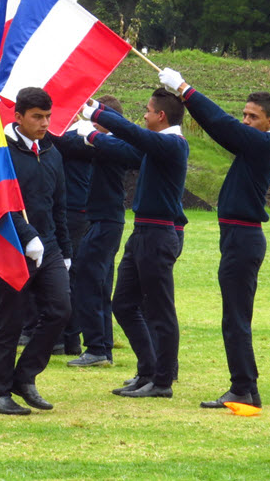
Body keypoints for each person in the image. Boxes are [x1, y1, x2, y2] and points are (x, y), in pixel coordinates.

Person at [160, 68, 270, 409]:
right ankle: (247, 388)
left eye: (253, 117)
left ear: (269, 122)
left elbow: (221, 125)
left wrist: (185, 88)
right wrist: (185, 94)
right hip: (237, 238)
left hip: (243, 240)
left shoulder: (263, 145)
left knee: (235, 319)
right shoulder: (253, 144)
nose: (245, 121)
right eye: (244, 114)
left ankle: (243, 388)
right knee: (235, 317)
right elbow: (221, 126)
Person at [82, 88, 188, 398]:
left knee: (159, 310)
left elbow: (132, 134)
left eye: (147, 110)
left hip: (158, 234)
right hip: (142, 232)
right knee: (124, 303)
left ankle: (163, 381)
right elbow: (125, 146)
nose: (143, 115)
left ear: (161, 116)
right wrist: (94, 134)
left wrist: (97, 117)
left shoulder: (172, 144)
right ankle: (148, 370)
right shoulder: (156, 146)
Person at [0, 87, 71, 415]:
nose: (44, 123)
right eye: (37, 116)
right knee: (10, 319)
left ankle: (25, 376)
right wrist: (26, 234)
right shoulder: (0, 153)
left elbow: (59, 205)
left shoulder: (52, 153)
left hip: (48, 245)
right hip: (10, 245)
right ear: (18, 117)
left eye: (48, 116)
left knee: (61, 310)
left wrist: (65, 250)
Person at [59, 96, 141, 367]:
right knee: (100, 283)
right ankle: (101, 347)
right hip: (104, 220)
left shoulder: (113, 146)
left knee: (89, 281)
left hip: (105, 221)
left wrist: (78, 129)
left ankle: (97, 347)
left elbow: (68, 143)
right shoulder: (110, 144)